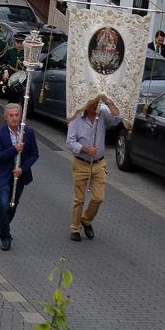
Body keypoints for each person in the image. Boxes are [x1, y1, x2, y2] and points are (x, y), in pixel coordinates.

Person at [66, 95, 123, 241]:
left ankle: (86, 220)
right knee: (79, 199)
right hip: (81, 163)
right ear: (86, 102)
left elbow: (118, 117)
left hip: (98, 164)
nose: (95, 105)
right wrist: (85, 149)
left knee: (98, 198)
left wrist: (108, 101)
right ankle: (75, 228)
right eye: (93, 102)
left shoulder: (102, 114)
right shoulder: (76, 117)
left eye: (98, 102)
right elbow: (70, 142)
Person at [0, 103, 39, 251]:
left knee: (13, 205)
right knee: (4, 204)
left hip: (20, 175)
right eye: (11, 115)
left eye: (17, 115)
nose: (14, 118)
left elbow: (34, 154)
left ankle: (2, 225)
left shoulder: (28, 132)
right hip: (4, 175)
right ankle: (6, 237)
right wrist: (14, 149)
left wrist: (22, 169)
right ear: (5, 117)